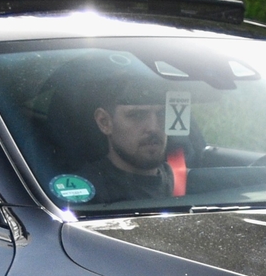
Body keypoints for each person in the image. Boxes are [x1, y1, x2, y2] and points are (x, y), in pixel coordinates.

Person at [69, 66, 183, 203]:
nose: (153, 127)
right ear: (105, 122)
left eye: (162, 114)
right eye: (137, 115)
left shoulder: (193, 185)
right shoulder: (82, 194)